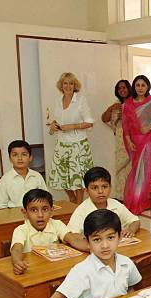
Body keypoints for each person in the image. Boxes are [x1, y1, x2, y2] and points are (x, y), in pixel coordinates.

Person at [45, 209, 142, 298]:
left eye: (110, 237)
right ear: (87, 242)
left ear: (119, 237)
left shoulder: (126, 263)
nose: (105, 245)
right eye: (97, 239)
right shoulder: (82, 271)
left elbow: (131, 289)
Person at [10, 189, 85, 275]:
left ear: (52, 211)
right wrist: (18, 263)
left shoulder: (57, 224)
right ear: (25, 213)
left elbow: (72, 239)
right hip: (33, 271)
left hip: (54, 269)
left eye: (45, 209)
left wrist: (90, 248)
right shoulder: (21, 230)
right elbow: (16, 249)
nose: (40, 215)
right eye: (34, 210)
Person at [48, 72, 94, 204]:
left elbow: (89, 122)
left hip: (78, 144)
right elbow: (56, 119)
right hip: (62, 143)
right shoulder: (58, 100)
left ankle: (79, 205)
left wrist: (72, 126)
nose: (68, 86)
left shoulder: (81, 100)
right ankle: (72, 198)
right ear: (61, 85)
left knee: (78, 177)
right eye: (65, 83)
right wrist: (53, 125)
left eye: (71, 83)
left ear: (75, 85)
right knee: (61, 175)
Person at [121, 75, 151, 214]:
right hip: (134, 141)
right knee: (136, 171)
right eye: (137, 85)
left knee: (145, 173)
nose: (140, 88)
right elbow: (125, 125)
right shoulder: (128, 104)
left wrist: (150, 127)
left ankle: (142, 201)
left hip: (149, 141)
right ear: (134, 87)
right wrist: (129, 141)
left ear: (148, 87)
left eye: (143, 85)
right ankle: (135, 200)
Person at [66, 167, 140, 238]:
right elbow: (71, 234)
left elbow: (135, 221)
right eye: (95, 188)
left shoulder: (115, 204)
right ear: (87, 191)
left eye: (104, 187)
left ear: (110, 187)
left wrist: (130, 230)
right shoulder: (82, 210)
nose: (100, 191)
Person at [0, 140, 47, 209]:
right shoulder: (5, 180)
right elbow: (0, 207)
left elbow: (46, 199)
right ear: (10, 158)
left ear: (30, 157)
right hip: (13, 216)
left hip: (35, 215)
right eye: (15, 155)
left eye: (24, 154)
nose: (20, 158)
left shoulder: (37, 176)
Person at [101, 80, 132, 200]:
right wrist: (111, 108)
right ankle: (121, 196)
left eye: (124, 87)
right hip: (120, 139)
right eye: (119, 88)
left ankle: (131, 197)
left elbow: (138, 121)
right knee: (120, 168)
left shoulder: (134, 103)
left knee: (131, 169)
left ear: (129, 88)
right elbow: (104, 118)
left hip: (132, 140)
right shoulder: (116, 104)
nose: (122, 90)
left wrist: (123, 115)